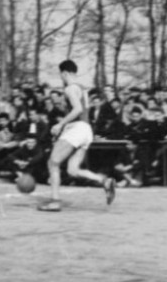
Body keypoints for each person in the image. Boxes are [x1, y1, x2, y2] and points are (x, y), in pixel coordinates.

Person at [38, 60, 116, 212]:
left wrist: (60, 124)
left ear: (65, 73)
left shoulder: (70, 88)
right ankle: (104, 181)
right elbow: (82, 109)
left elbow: (77, 109)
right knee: (72, 170)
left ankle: (55, 201)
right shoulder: (82, 88)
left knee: (53, 163)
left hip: (77, 128)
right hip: (86, 130)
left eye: (61, 74)